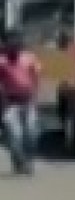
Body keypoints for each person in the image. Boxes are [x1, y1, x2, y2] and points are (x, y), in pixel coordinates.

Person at [0, 29, 40, 175]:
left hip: (28, 101)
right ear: (5, 43)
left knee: (31, 133)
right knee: (15, 135)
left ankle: (28, 161)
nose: (15, 43)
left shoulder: (29, 58)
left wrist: (35, 96)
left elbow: (36, 76)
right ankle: (19, 162)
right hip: (9, 103)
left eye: (17, 40)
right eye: (11, 40)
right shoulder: (2, 60)